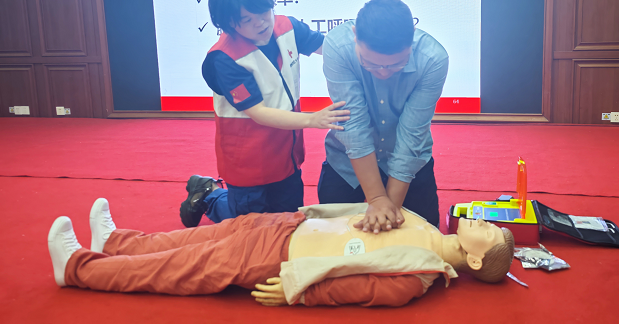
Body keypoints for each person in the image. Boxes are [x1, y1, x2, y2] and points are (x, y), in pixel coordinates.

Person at [48, 198, 515, 307]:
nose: (485, 222)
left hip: (277, 259)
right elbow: (363, 210)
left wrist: (299, 291)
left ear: (475, 260)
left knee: (174, 268)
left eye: (490, 233)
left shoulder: (419, 276)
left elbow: (355, 289)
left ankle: (77, 268)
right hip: (287, 225)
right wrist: (313, 211)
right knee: (188, 241)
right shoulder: (425, 223)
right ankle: (115, 243)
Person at [180, 0, 350, 227]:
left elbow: (328, 47)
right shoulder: (224, 58)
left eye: (263, 12)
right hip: (249, 159)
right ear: (228, 23)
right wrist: (312, 119)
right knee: (253, 226)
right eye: (247, 19)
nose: (261, 23)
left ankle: (214, 196)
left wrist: (366, 52)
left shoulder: (287, 27)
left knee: (288, 223)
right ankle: (209, 196)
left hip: (287, 153)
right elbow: (257, 112)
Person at [319, 0, 448, 233]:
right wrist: (377, 199)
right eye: (370, 63)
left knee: (424, 239)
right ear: (355, 35)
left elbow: (412, 133)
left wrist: (388, 210)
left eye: (397, 64)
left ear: (412, 38)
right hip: (347, 164)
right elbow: (353, 126)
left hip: (409, 167)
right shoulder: (338, 46)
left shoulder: (433, 59)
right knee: (332, 238)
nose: (383, 72)